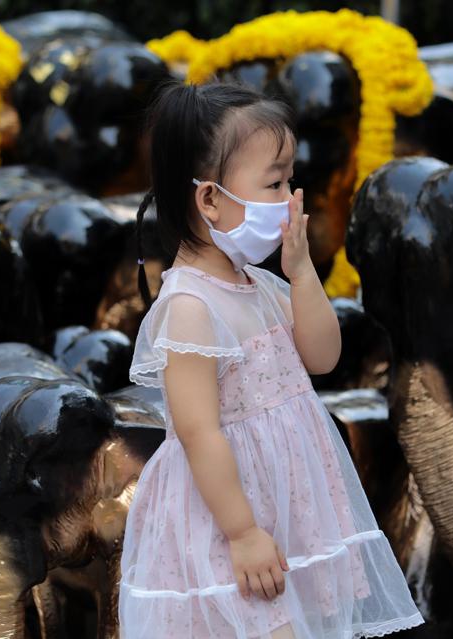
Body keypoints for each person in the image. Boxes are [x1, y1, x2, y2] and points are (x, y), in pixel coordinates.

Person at [118, 80, 424, 638]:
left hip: (290, 509)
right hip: (226, 519)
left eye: (290, 181)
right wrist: (242, 533)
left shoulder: (259, 285)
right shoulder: (188, 306)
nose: (290, 199)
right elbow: (198, 433)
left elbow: (323, 356)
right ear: (209, 198)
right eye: (274, 183)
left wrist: (303, 273)